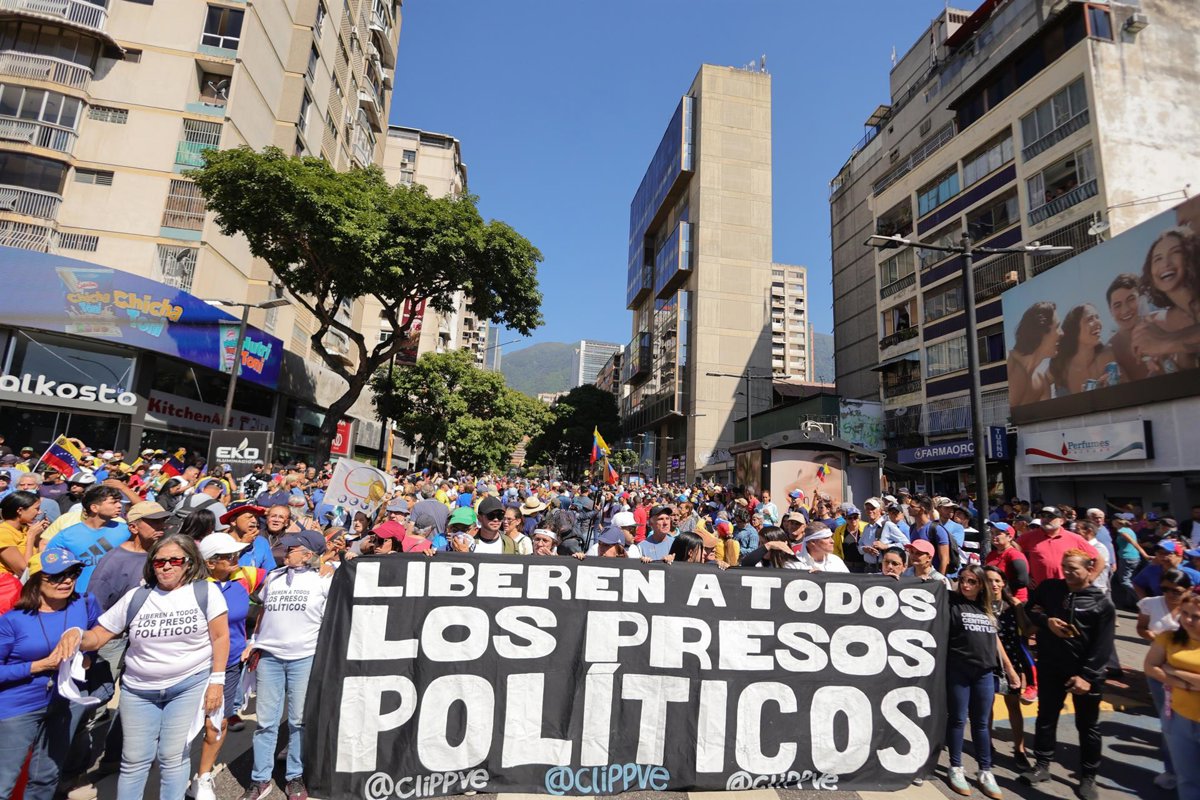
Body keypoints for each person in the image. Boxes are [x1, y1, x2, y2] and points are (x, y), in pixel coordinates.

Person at [52, 534, 229, 800]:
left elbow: (220, 637)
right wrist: (77, 635)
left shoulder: (206, 592)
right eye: (159, 562)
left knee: (172, 756)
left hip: (187, 685)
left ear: (189, 563)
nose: (166, 566)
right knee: (133, 761)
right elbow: (99, 635)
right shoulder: (137, 596)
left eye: (174, 560)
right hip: (139, 690)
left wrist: (217, 682)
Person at [0, 548, 100, 800]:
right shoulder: (13, 620)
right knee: (3, 782)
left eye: (73, 573)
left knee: (46, 777)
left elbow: (95, 635)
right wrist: (38, 666)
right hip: (18, 708)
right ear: (35, 580)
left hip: (65, 702)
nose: (66, 581)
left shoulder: (85, 603)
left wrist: (88, 657)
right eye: (56, 576)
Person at [240, 530, 331, 800]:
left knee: (299, 721)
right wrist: (254, 640)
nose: (285, 552)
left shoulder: (324, 580)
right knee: (265, 722)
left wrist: (329, 565)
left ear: (308, 554)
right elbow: (264, 611)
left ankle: (295, 777)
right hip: (269, 657)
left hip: (304, 658)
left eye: (291, 549)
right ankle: (260, 779)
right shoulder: (274, 577)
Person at [1021, 550, 1114, 800]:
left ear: (1089, 569)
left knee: (1088, 726)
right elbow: (1031, 608)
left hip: (1084, 674)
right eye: (1065, 567)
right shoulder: (1050, 588)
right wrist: (1046, 621)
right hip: (1051, 665)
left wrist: (1087, 676)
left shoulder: (1101, 602)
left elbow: (1103, 646)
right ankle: (1042, 765)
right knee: (1046, 716)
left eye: (1073, 568)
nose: (1068, 572)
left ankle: (1088, 777)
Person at [944, 564, 1017, 798]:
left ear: (981, 585)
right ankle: (956, 767)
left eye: (972, 581)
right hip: (958, 671)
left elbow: (995, 639)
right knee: (957, 719)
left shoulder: (988, 607)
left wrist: (1010, 669)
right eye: (962, 579)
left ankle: (985, 771)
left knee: (982, 723)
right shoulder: (951, 601)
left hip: (985, 672)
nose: (965, 585)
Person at [193, 532, 252, 800]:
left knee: (217, 724)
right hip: (196, 665)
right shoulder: (193, 588)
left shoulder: (242, 581)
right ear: (210, 562)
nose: (235, 558)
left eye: (236, 554)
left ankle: (203, 777)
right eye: (228, 556)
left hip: (230, 666)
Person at [1137, 568, 1192, 791]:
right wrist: (1152, 637)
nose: (1170, 594)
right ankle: (1172, 771)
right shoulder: (1150, 603)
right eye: (1165, 589)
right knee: (1168, 724)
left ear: (1188, 590)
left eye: (1176, 591)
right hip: (1159, 673)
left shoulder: (1193, 609)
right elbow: (1141, 627)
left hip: (1188, 674)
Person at [1144, 587, 1200, 799]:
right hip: (1179, 718)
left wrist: (1173, 670)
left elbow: (1160, 667)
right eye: (1184, 613)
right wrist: (1188, 685)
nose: (1188, 620)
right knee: (1187, 779)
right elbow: (1150, 667)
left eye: (1196, 616)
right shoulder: (1169, 638)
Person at [983, 565, 1033, 771]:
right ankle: (987, 745)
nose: (993, 584)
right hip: (987, 661)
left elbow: (1027, 630)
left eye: (997, 580)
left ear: (1004, 583)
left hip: (1011, 661)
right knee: (987, 705)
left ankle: (1020, 749)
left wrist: (1041, 619)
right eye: (989, 580)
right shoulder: (980, 604)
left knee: (1013, 705)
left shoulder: (1013, 605)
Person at [45, 485, 130, 593]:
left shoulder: (127, 531)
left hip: (117, 595)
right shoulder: (66, 536)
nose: (119, 506)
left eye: (119, 502)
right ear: (94, 508)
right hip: (80, 596)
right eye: (113, 502)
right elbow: (50, 566)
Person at [1017, 506, 1098, 588]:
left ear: (1061, 521)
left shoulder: (1074, 538)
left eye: (1050, 517)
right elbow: (1014, 555)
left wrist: (1089, 579)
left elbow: (1098, 559)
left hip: (1067, 588)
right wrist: (1026, 577)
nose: (1045, 519)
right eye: (1043, 516)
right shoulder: (1027, 537)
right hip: (1039, 588)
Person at [1007, 301, 1060, 406]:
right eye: (1057, 327)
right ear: (1041, 331)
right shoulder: (1008, 361)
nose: (1062, 333)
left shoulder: (1042, 383)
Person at [0, 490, 50, 577]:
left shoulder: (25, 529)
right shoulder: (3, 533)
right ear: (20, 510)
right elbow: (24, 571)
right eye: (36, 509)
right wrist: (31, 537)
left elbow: (41, 554)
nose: (40, 512)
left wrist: (39, 534)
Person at [1135, 539, 1200, 600]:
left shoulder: (1191, 573)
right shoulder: (1151, 570)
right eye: (1159, 552)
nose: (1163, 556)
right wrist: (1144, 601)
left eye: (1167, 553)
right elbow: (1137, 583)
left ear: (1179, 555)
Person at [857, 498, 908, 572]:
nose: (870, 511)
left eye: (873, 508)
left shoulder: (887, 525)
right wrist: (864, 549)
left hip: (882, 569)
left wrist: (886, 546)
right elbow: (860, 546)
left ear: (880, 510)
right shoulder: (866, 528)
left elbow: (906, 544)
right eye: (867, 509)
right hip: (867, 568)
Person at [983, 521, 1030, 602]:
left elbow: (1022, 581)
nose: (993, 536)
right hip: (995, 598)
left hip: (1014, 600)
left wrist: (1002, 588)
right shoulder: (992, 554)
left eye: (998, 533)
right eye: (992, 533)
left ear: (1009, 537)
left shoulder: (1014, 554)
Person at [907, 497, 952, 576]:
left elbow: (945, 559)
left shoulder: (937, 529)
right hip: (917, 575)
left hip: (933, 575)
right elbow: (912, 553)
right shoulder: (912, 528)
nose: (908, 508)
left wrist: (939, 579)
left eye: (912, 506)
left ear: (922, 509)